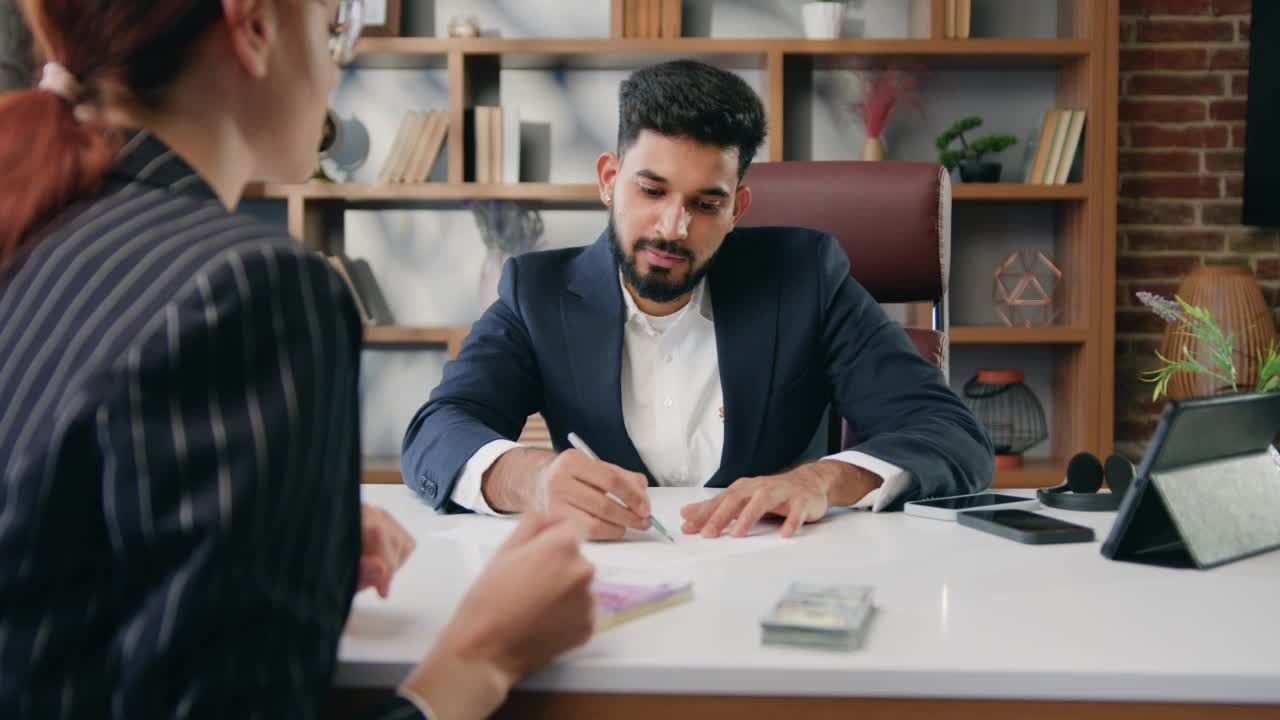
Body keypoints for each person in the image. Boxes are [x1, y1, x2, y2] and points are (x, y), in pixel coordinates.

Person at [0, 1, 594, 718]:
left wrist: (277, 543)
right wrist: (484, 651)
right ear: (253, 27)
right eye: (333, 27)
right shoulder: (249, 291)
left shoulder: (36, 225)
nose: (340, 67)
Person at [402, 59, 994, 541]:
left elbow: (950, 433)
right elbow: (438, 429)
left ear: (737, 208)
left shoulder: (805, 276)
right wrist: (529, 479)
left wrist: (823, 480)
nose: (673, 226)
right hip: (612, 583)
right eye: (651, 190)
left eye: (705, 204)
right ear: (609, 179)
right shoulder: (536, 292)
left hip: (776, 573)